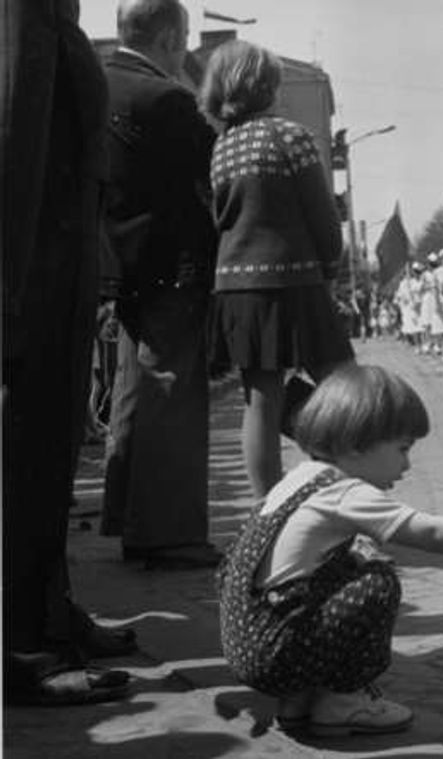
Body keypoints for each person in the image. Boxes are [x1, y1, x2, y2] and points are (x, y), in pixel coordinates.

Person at [218, 364, 443, 734]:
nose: (408, 464)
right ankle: (343, 702)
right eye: (402, 449)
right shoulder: (344, 492)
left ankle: (299, 701)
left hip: (246, 644)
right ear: (355, 444)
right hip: (273, 654)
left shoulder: (299, 478)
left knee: (348, 563)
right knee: (377, 581)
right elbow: (431, 533)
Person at [3, 0, 137, 706]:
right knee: (23, 457)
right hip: (32, 264)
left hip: (55, 257)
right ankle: (19, 644)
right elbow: (13, 126)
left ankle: (46, 613)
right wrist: (9, 280)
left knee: (49, 453)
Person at [202, 39, 354, 500]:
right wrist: (331, 270)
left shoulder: (221, 148)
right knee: (344, 388)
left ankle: (267, 513)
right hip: (296, 279)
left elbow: (218, 219)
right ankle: (349, 496)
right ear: (265, 85)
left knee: (261, 401)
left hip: (237, 289)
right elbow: (324, 217)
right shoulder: (291, 137)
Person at [101, 0, 221, 568]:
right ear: (171, 37)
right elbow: (206, 185)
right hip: (172, 262)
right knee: (171, 390)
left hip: (118, 261)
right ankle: (168, 533)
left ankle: (125, 514)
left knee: (133, 388)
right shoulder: (169, 100)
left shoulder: (99, 85)